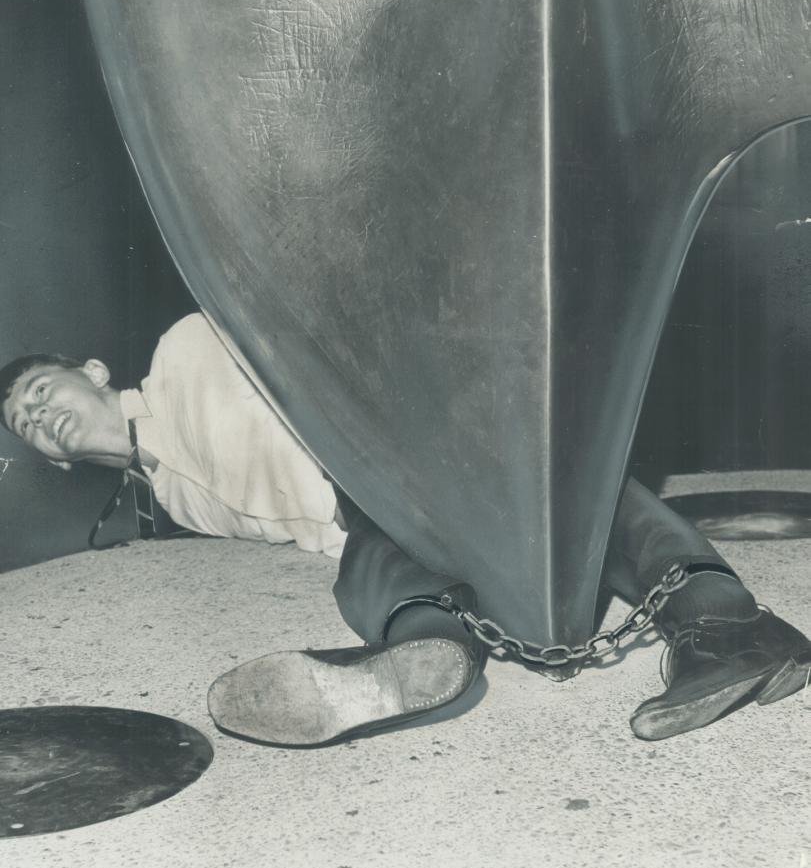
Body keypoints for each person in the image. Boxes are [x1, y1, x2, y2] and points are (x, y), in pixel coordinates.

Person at [2, 312, 809, 746]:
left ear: (94, 373)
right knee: (364, 564)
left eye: (39, 389)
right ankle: (424, 658)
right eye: (24, 424)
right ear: (55, 462)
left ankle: (724, 626)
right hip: (364, 512)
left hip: (402, 435)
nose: (37, 414)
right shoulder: (171, 503)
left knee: (572, 493)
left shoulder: (186, 344)